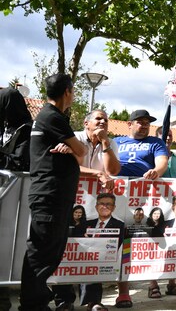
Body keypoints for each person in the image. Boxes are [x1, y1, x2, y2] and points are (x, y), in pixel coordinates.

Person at [20, 74, 87, 311]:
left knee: (49, 251)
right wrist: (72, 147)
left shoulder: (51, 117)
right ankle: (33, 304)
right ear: (68, 91)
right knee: (42, 253)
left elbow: (77, 151)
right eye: (74, 90)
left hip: (53, 197)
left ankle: (35, 301)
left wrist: (70, 148)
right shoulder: (52, 116)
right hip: (50, 196)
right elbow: (81, 148)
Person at [54, 109, 124, 309]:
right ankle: (64, 300)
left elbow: (113, 171)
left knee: (93, 251)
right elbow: (69, 166)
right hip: (70, 202)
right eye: (98, 118)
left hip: (94, 207)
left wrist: (105, 143)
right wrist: (96, 173)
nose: (103, 121)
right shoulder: (74, 138)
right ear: (86, 123)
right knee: (66, 249)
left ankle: (92, 301)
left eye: (106, 119)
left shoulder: (112, 143)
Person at [115, 109, 171, 301]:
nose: (145, 124)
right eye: (140, 121)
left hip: (143, 195)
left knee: (146, 239)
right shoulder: (117, 142)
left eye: (147, 122)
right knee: (121, 240)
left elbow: (162, 163)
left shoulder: (156, 143)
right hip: (117, 192)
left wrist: (156, 171)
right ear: (129, 124)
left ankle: (152, 281)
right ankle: (123, 292)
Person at [79, 194, 126, 309]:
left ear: (114, 207)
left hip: (108, 261)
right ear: (96, 207)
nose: (104, 206)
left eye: (108, 204)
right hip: (88, 259)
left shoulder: (120, 226)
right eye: (101, 204)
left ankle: (93, 302)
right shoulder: (85, 224)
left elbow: (121, 246)